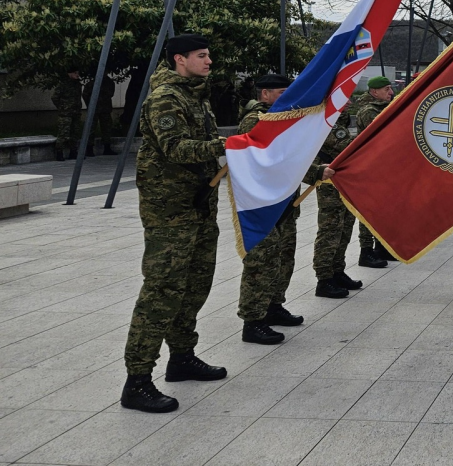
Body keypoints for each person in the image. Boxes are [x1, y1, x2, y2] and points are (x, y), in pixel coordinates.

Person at [120, 34, 227, 413]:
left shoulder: (195, 95)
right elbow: (176, 149)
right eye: (202, 55)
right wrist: (228, 145)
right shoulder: (166, 97)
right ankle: (137, 381)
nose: (209, 61)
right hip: (170, 212)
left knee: (195, 285)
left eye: (209, 54)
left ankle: (182, 357)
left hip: (198, 206)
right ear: (180, 59)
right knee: (162, 292)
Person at [236, 74, 304, 345]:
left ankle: (274, 306)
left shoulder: (281, 118)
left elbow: (289, 160)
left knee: (283, 257)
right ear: (265, 94)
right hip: (262, 205)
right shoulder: (257, 120)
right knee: (261, 263)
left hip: (283, 202)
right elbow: (262, 160)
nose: (287, 97)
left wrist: (315, 171)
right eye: (282, 92)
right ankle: (253, 321)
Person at [311, 84, 370, 299]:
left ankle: (337, 271)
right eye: (345, 98)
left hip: (343, 183)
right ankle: (324, 279)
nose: (350, 102)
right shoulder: (326, 121)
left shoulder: (341, 121)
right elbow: (345, 146)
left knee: (345, 228)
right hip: (329, 185)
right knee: (330, 231)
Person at [352, 76, 395, 265]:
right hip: (371, 167)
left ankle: (381, 247)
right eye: (386, 89)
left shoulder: (383, 108)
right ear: (374, 92)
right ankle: (366, 251)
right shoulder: (369, 111)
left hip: (384, 167)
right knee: (369, 210)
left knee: (383, 209)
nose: (391, 93)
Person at [52, 70, 83, 161]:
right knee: (63, 133)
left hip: (76, 112)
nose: (77, 75)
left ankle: (73, 152)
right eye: (75, 73)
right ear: (69, 73)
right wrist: (62, 107)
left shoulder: (77, 84)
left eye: (78, 73)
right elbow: (54, 97)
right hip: (65, 113)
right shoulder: (63, 84)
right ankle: (59, 152)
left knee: (75, 132)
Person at [83, 76, 118, 156]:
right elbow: (85, 95)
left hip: (105, 109)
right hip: (94, 109)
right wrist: (90, 105)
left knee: (107, 128)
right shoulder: (91, 83)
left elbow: (111, 94)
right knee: (91, 129)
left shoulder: (109, 82)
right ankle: (89, 149)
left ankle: (107, 148)